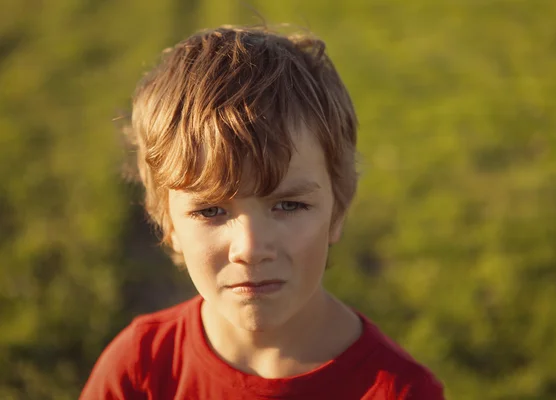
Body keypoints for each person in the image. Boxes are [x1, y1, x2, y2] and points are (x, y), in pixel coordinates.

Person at [80, 25, 445, 400]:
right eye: (210, 210)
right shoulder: (140, 368)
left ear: (337, 210)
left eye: (289, 205)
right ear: (167, 221)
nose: (251, 249)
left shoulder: (398, 392)